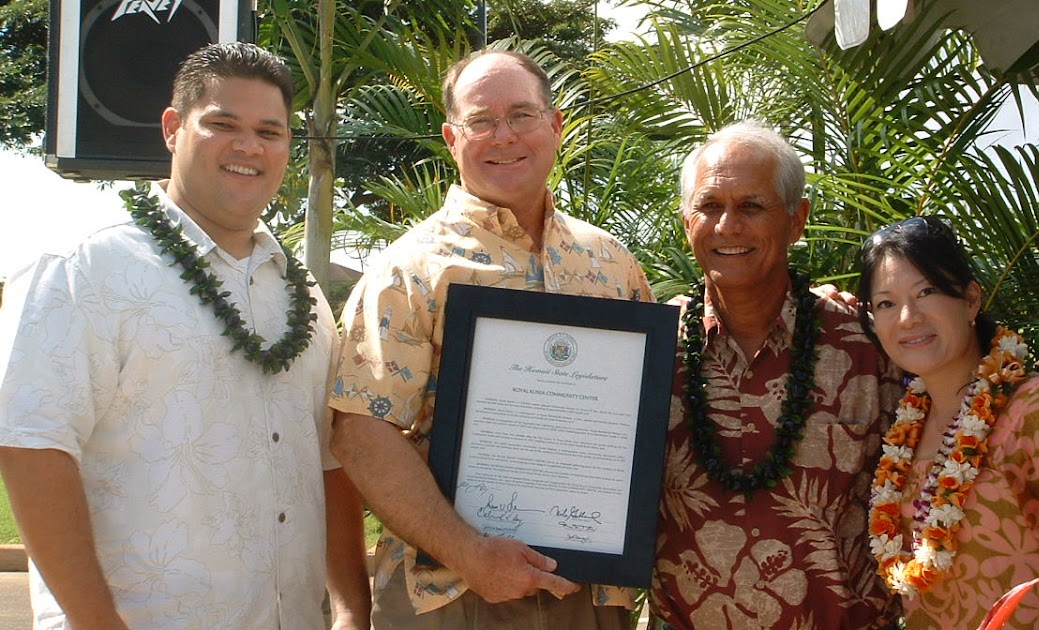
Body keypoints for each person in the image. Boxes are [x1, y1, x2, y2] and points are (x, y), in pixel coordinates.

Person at [0, 42, 370, 629]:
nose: (248, 146)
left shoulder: (301, 293)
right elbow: (32, 448)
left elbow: (327, 460)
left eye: (269, 132)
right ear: (173, 128)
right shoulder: (83, 268)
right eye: (223, 124)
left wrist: (351, 606)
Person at [328, 49, 653, 629]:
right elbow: (361, 432)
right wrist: (468, 553)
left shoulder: (612, 264)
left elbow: (646, 414)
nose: (504, 136)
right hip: (451, 595)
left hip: (590, 593)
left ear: (555, 125)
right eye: (481, 121)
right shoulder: (408, 271)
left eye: (522, 115)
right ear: (452, 138)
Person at [651, 120, 902, 629]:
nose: (727, 226)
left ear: (796, 220)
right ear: (685, 221)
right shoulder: (649, 350)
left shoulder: (867, 346)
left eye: (751, 206)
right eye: (709, 206)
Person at [855, 215, 1039, 629]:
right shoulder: (903, 432)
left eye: (926, 291)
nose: (908, 317)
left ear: (970, 299)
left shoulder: (1038, 409)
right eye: (886, 304)